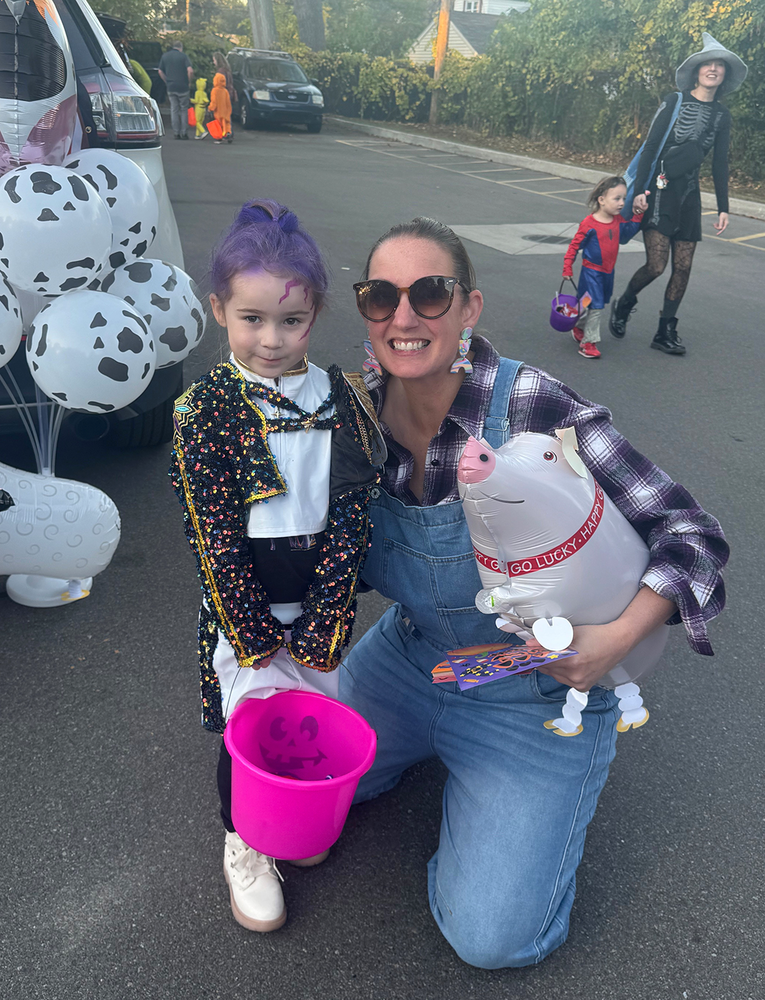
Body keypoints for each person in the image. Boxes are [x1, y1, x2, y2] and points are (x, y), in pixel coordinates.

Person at [339, 216, 728, 969]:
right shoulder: (351, 417)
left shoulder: (529, 409)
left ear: (469, 309)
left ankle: (510, 790)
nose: (404, 315)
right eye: (379, 296)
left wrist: (611, 644)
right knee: (298, 781)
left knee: (492, 939)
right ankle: (437, 753)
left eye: (430, 292)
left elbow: (692, 535)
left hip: (536, 692)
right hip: (413, 658)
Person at [170, 200, 384, 933]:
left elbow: (354, 510)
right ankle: (244, 838)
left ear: (315, 315)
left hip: (317, 593)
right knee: (251, 722)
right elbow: (213, 536)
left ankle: (291, 816)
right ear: (219, 310)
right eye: (251, 318)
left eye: (290, 321)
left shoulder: (340, 400)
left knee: (310, 717)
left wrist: (329, 611)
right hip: (246, 602)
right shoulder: (204, 410)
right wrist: (253, 631)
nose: (270, 338)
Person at [610, 32, 748, 355]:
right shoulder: (674, 102)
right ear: (698, 70)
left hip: (689, 196)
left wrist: (723, 206)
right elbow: (649, 149)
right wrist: (641, 190)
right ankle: (625, 302)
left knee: (683, 266)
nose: (713, 69)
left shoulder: (722, 116)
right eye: (708, 64)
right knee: (656, 265)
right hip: (659, 190)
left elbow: (720, 162)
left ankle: (665, 330)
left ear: (724, 74)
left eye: (719, 66)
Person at [562, 175, 644, 359]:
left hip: (608, 272)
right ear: (601, 200)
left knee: (586, 302)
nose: (622, 203)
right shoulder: (589, 224)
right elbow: (574, 246)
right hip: (591, 272)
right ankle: (589, 343)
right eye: (617, 198)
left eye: (624, 198)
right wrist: (568, 267)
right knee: (597, 306)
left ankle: (578, 325)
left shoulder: (618, 220)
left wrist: (638, 215)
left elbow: (627, 233)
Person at [158, 40, 193, 140]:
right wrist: (189, 81)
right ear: (181, 48)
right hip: (183, 87)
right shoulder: (184, 56)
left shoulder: (165, 56)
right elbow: (190, 70)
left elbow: (160, 71)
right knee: (183, 109)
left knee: (174, 109)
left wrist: (167, 81)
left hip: (171, 86)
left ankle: (176, 133)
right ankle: (184, 133)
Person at [209, 72, 233, 144]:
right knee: (226, 123)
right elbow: (228, 102)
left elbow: (214, 102)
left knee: (218, 125)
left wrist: (210, 108)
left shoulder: (215, 91)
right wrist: (229, 111)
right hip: (225, 111)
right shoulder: (225, 91)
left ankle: (219, 137)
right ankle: (228, 133)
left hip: (218, 111)